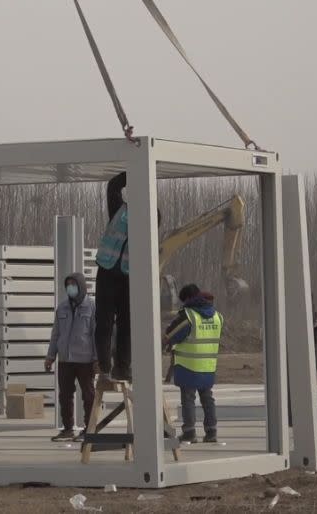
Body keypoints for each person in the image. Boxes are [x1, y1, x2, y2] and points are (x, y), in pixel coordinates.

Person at [94, 171, 160, 382]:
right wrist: (134, 171)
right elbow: (113, 185)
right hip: (107, 270)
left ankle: (123, 367)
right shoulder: (118, 210)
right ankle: (104, 366)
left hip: (129, 275)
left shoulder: (151, 215)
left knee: (126, 323)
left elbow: (154, 220)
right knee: (104, 321)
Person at [162, 284, 223, 444]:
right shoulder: (217, 316)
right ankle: (211, 432)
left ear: (188, 298)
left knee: (188, 399)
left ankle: (189, 432)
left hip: (188, 366)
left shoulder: (188, 315)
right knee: (207, 398)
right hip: (208, 366)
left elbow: (172, 334)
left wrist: (166, 341)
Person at [45, 272, 96, 441]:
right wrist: (50, 356)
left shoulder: (92, 307)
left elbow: (97, 335)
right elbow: (56, 334)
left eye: (74, 284)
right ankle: (68, 429)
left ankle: (89, 430)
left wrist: (97, 359)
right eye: (68, 285)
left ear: (81, 286)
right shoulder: (62, 308)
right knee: (65, 395)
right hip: (65, 360)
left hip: (85, 360)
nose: (70, 288)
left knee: (88, 395)